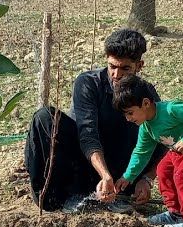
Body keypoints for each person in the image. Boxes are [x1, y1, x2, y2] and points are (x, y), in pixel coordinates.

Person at [24, 29, 167, 212]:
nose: (116, 75)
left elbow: (163, 142)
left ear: (139, 66)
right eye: (112, 67)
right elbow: (87, 133)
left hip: (122, 175)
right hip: (84, 164)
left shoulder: (146, 94)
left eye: (125, 68)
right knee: (44, 118)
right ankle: (57, 198)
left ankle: (119, 194)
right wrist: (104, 174)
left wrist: (147, 179)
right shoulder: (88, 84)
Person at [112, 75, 183, 227]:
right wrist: (128, 176)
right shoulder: (146, 127)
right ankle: (176, 213)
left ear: (146, 103)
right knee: (163, 169)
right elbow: (141, 152)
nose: (128, 118)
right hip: (180, 150)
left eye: (130, 112)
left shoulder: (170, 110)